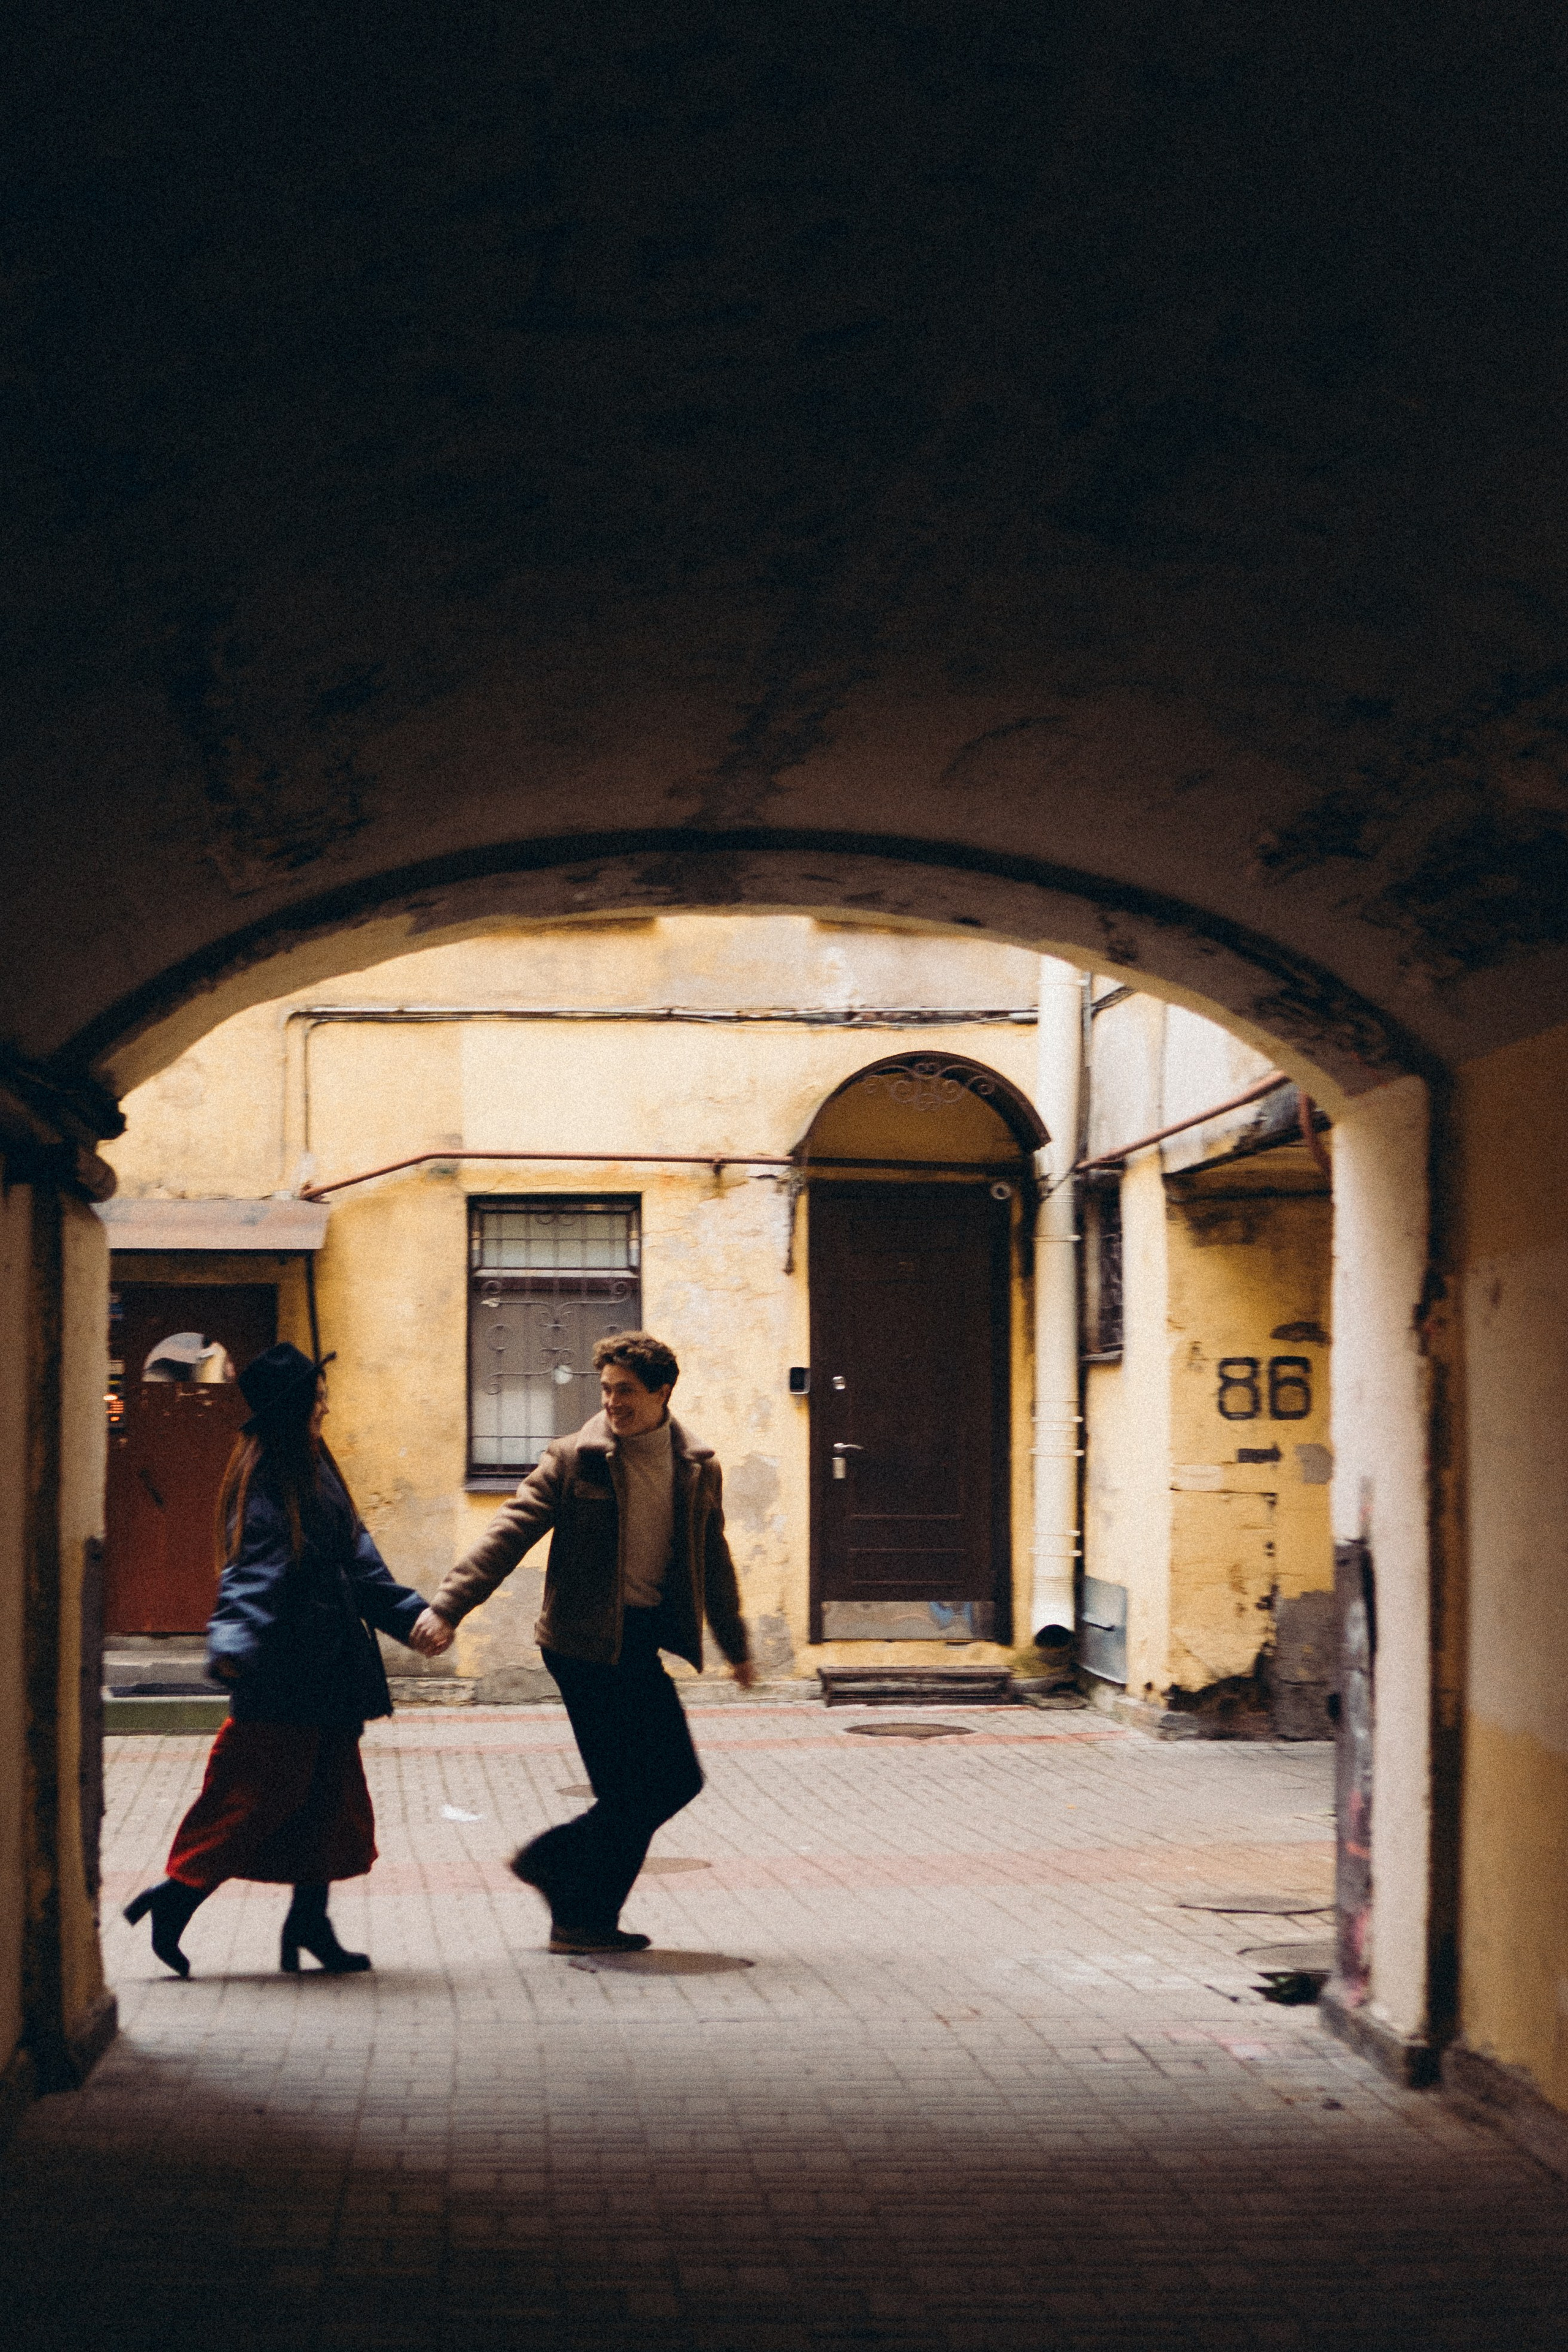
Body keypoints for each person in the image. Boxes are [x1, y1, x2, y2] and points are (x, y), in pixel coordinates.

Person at [412, 1331, 753, 1953]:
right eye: (606, 1390)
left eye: (625, 1391)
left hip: (641, 1640)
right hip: (581, 1643)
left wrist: (737, 1647)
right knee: (638, 1789)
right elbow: (509, 1530)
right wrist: (449, 1606)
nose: (613, 1402)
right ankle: (559, 1876)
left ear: (662, 1392)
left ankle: (577, 1910)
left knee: (669, 1782)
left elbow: (714, 1559)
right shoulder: (576, 1457)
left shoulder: (697, 1467)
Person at [124, 1343, 429, 1978]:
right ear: (295, 1409)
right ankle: (175, 1898)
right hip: (287, 1671)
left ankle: (308, 1925)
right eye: (316, 1395)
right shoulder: (271, 1477)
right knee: (254, 1796)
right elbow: (251, 1573)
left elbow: (357, 1557)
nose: (325, 1403)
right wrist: (232, 1647)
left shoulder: (314, 1463)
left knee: (326, 1798)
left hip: (329, 1665)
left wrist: (409, 1617)